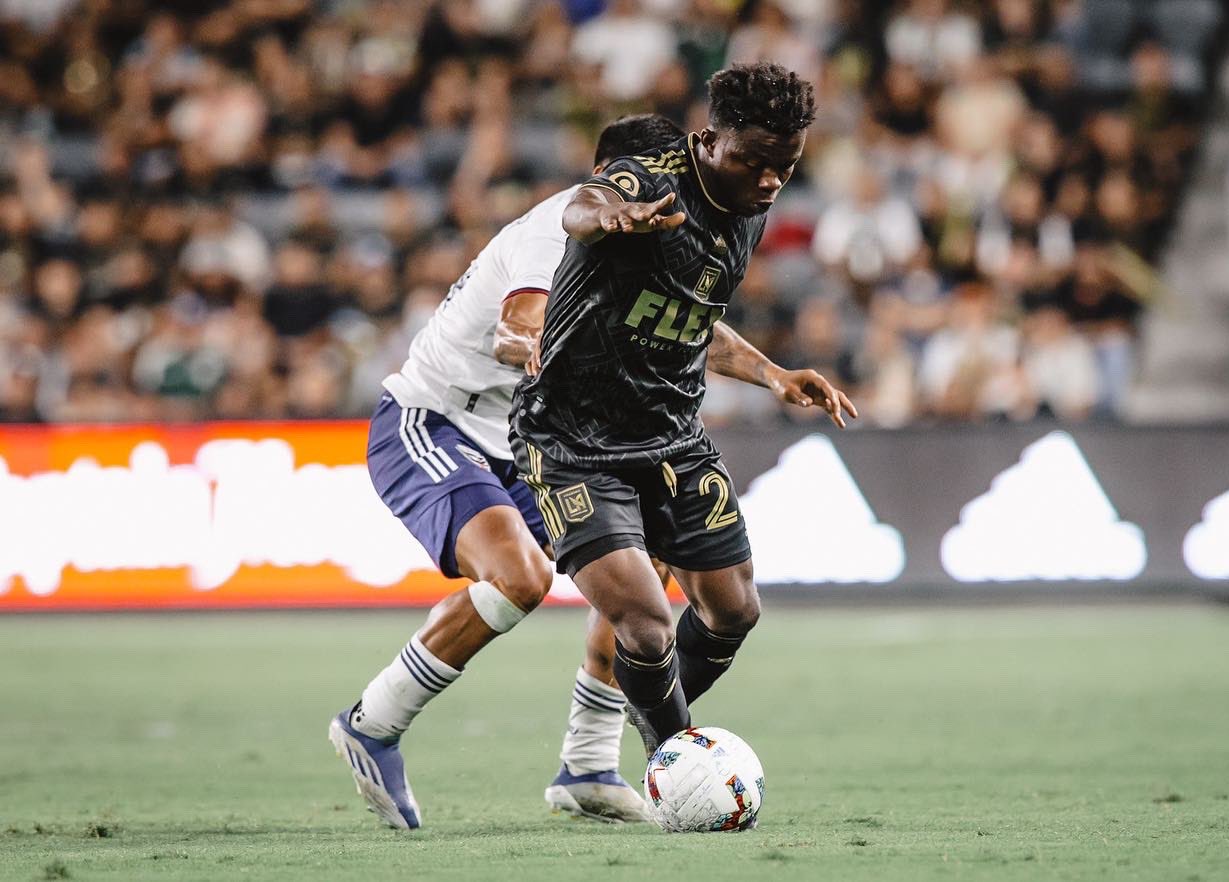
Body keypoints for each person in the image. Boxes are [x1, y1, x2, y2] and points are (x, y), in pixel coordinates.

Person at [328, 113, 853, 829]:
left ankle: (588, 763)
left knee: (644, 562)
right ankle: (374, 722)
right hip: (438, 421)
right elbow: (521, 318)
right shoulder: (558, 232)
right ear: (613, 182)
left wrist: (771, 374)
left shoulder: (657, 234)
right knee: (519, 578)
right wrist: (530, 343)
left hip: (538, 438)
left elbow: (688, 325)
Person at [511, 63, 854, 781]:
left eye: (786, 167)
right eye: (754, 161)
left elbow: (692, 321)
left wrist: (774, 374)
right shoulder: (650, 181)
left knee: (735, 611)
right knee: (645, 621)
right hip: (572, 440)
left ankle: (654, 731)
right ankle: (677, 768)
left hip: (672, 438)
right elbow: (586, 202)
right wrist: (610, 217)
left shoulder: (749, 209)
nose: (770, 181)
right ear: (708, 140)